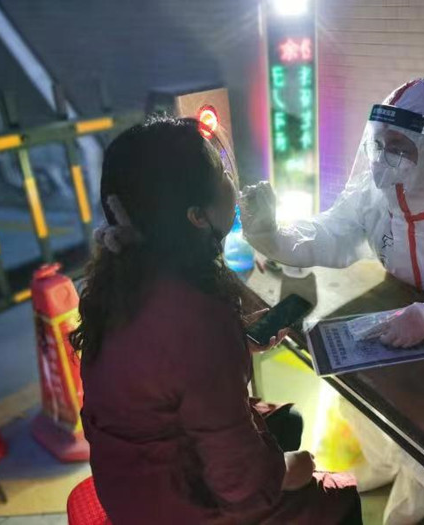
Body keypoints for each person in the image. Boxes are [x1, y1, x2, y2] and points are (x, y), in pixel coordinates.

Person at [240, 76, 424, 523]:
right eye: (380, 144)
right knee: (352, 387)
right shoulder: (377, 192)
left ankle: (421, 490)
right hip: (409, 330)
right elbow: (332, 233)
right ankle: (389, 462)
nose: (384, 159)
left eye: (401, 148)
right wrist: (271, 234)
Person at [72, 116, 362, 524]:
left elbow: (162, 366)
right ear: (196, 216)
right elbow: (241, 486)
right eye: (223, 172)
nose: (232, 180)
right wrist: (293, 469)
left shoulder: (124, 277)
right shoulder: (196, 318)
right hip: (173, 506)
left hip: (128, 481)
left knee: (286, 421)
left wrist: (236, 340)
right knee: (339, 494)